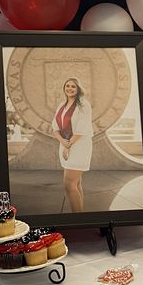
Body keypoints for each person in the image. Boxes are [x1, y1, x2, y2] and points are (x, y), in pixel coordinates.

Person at [51, 78, 93, 212]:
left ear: (78, 89)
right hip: (65, 144)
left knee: (69, 184)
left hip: (79, 146)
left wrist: (67, 145)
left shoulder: (83, 105)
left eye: (73, 87)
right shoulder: (62, 105)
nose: (70, 88)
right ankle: (80, 214)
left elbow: (82, 129)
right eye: (67, 86)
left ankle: (77, 217)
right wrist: (62, 142)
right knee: (76, 183)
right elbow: (55, 127)